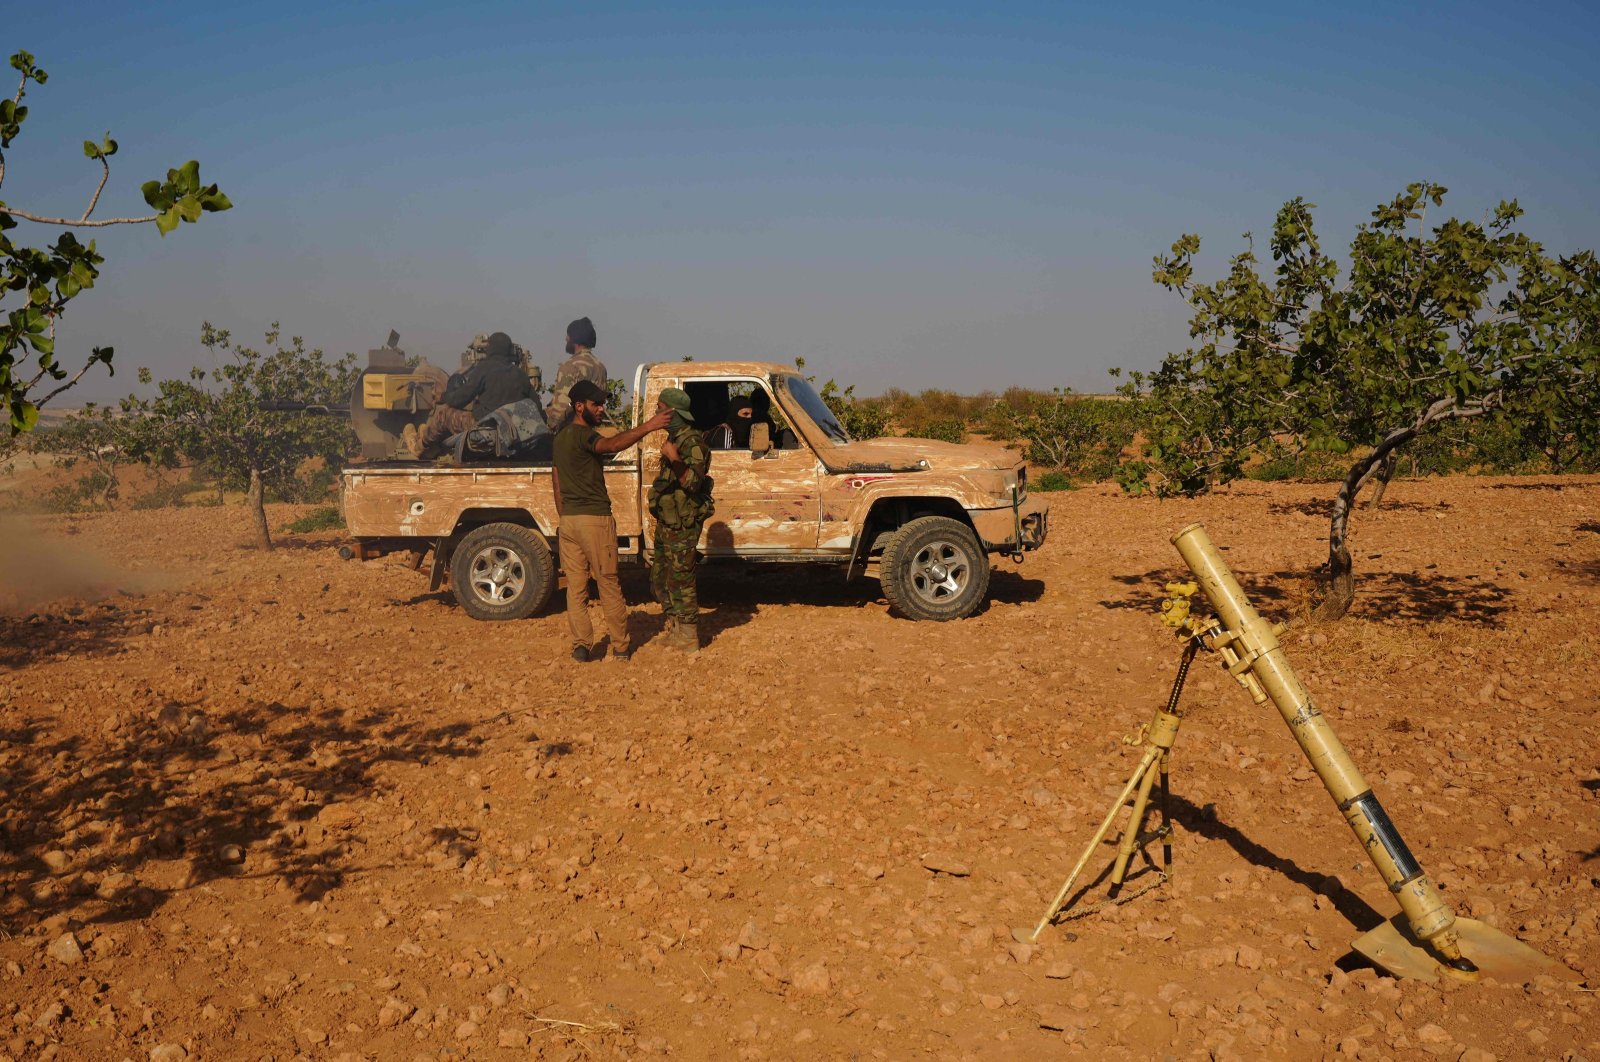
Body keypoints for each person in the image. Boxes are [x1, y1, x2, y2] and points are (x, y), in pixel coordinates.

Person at [553, 379, 672, 662]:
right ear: (579, 406)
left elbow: (555, 479)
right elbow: (610, 445)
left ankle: (582, 645)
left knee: (576, 587)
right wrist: (649, 426)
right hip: (595, 519)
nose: (601, 409)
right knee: (608, 583)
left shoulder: (559, 439)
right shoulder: (586, 436)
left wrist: (564, 513)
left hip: (569, 521)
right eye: (596, 404)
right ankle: (620, 647)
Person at [648, 387, 714, 652]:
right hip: (668, 521)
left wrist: (674, 460)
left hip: (684, 523)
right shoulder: (675, 438)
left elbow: (693, 485)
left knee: (681, 577)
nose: (656, 413)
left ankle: (688, 635)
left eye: (660, 409)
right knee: (661, 577)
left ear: (673, 412)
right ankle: (675, 627)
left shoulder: (692, 443)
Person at [405, 331, 534, 460]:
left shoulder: (484, 368)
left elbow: (459, 399)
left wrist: (443, 397)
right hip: (514, 431)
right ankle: (433, 446)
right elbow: (536, 407)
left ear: (491, 349)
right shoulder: (521, 375)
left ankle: (419, 447)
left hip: (486, 428)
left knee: (444, 415)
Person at [543, 317, 608, 433]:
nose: (566, 339)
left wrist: (549, 428)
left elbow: (561, 407)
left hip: (570, 432)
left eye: (568, 336)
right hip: (591, 431)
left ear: (574, 339)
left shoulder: (570, 366)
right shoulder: (600, 367)